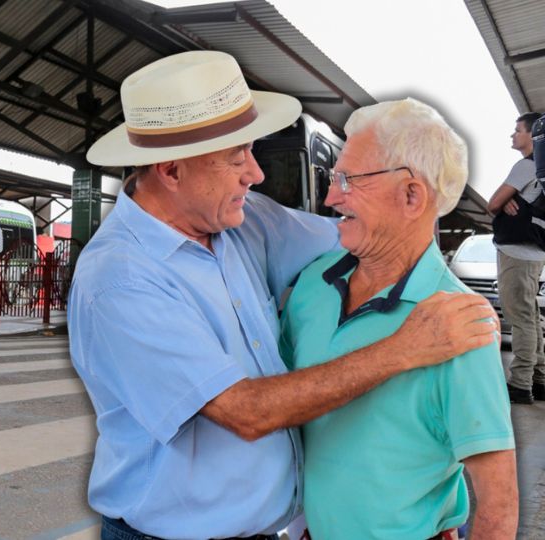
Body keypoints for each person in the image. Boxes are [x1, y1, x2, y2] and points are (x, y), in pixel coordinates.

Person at [67, 50, 498, 540]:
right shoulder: (121, 279)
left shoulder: (240, 221)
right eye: (236, 159)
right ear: (171, 171)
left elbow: (361, 233)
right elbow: (246, 412)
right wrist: (407, 347)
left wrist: (458, 296)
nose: (256, 174)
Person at [280, 98, 517, 540]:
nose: (332, 197)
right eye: (334, 178)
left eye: (348, 180)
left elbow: (498, 507)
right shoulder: (313, 285)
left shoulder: (459, 322)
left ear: (412, 196)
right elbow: (280, 400)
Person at [487, 112, 545, 404]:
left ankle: (520, 384)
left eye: (517, 130)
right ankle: (540, 378)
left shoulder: (526, 166)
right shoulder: (541, 168)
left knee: (520, 318)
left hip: (516, 252)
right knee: (531, 317)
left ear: (531, 134)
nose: (513, 135)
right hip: (534, 251)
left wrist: (505, 200)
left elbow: (492, 203)